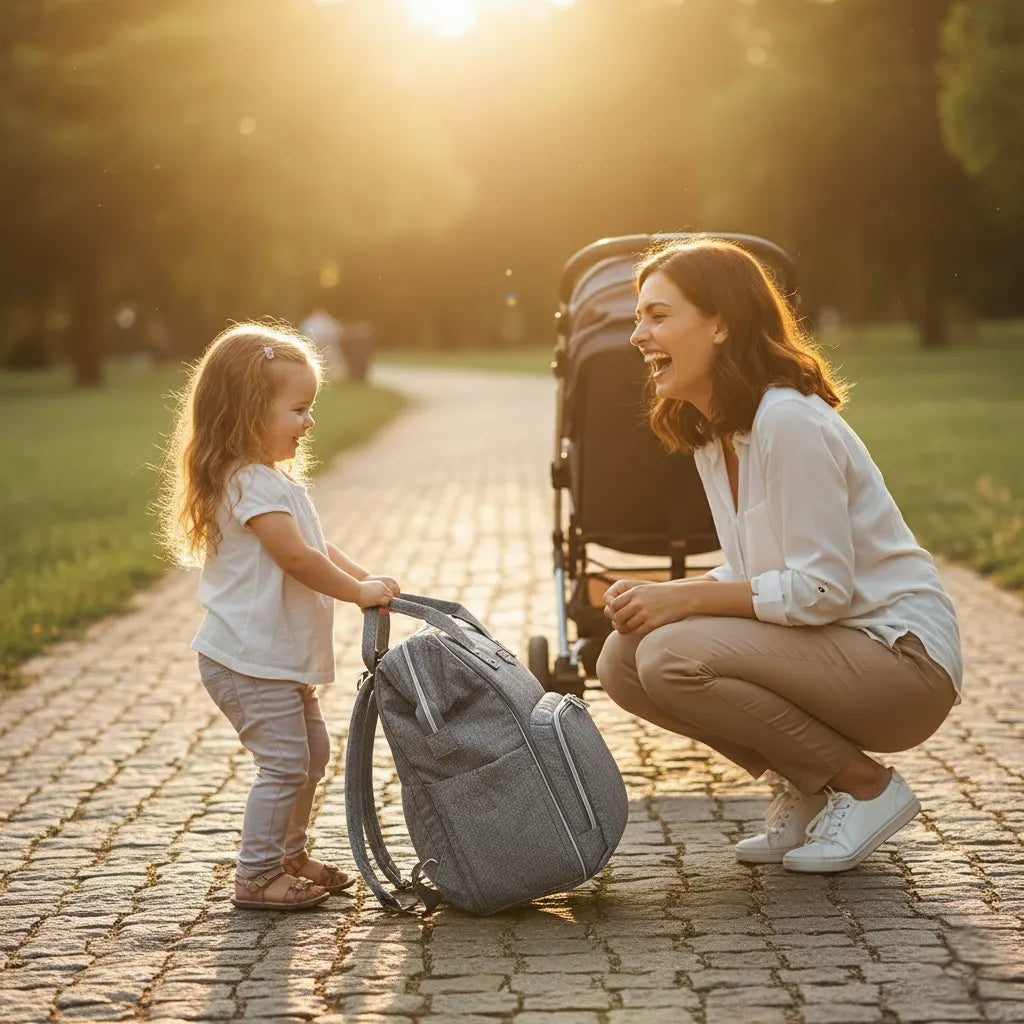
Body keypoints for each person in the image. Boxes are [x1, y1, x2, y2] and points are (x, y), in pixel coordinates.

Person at [596, 239, 962, 873]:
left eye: (657, 316)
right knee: (623, 661)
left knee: (669, 653)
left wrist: (684, 597)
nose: (637, 336)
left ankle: (866, 788)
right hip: (835, 649)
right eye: (639, 317)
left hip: (901, 661)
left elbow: (821, 590)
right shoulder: (718, 436)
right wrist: (658, 596)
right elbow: (753, 573)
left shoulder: (787, 421)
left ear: (720, 325)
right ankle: (812, 783)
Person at [159, 322, 400, 910]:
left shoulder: (269, 481)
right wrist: (354, 592)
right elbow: (295, 559)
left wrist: (363, 577)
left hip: (274, 657)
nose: (309, 422)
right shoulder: (246, 483)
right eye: (298, 409)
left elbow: (314, 544)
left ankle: (290, 853)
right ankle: (257, 874)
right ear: (246, 412)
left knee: (310, 756)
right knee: (287, 762)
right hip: (247, 659)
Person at [299, 306, 344, 381]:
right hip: (315, 346)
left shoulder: (325, 321)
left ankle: (334, 379)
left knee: (332, 364)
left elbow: (338, 332)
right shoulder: (310, 322)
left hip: (327, 346)